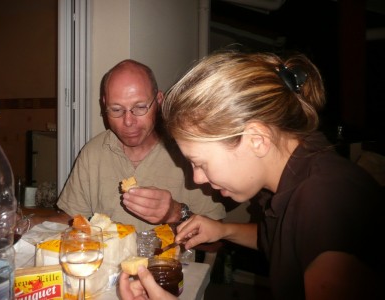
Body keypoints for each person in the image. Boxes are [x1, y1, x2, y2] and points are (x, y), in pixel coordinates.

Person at [119, 51, 384, 300]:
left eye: (199, 163)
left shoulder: (324, 201)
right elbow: (283, 238)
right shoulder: (299, 163)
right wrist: (223, 230)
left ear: (256, 139)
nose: (196, 178)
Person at [46, 59, 225, 232]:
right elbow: (71, 220)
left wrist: (175, 213)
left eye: (139, 107)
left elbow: (215, 242)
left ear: (159, 101)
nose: (128, 121)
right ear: (104, 105)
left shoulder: (189, 152)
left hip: (169, 263)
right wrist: (26, 222)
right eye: (116, 110)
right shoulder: (93, 152)